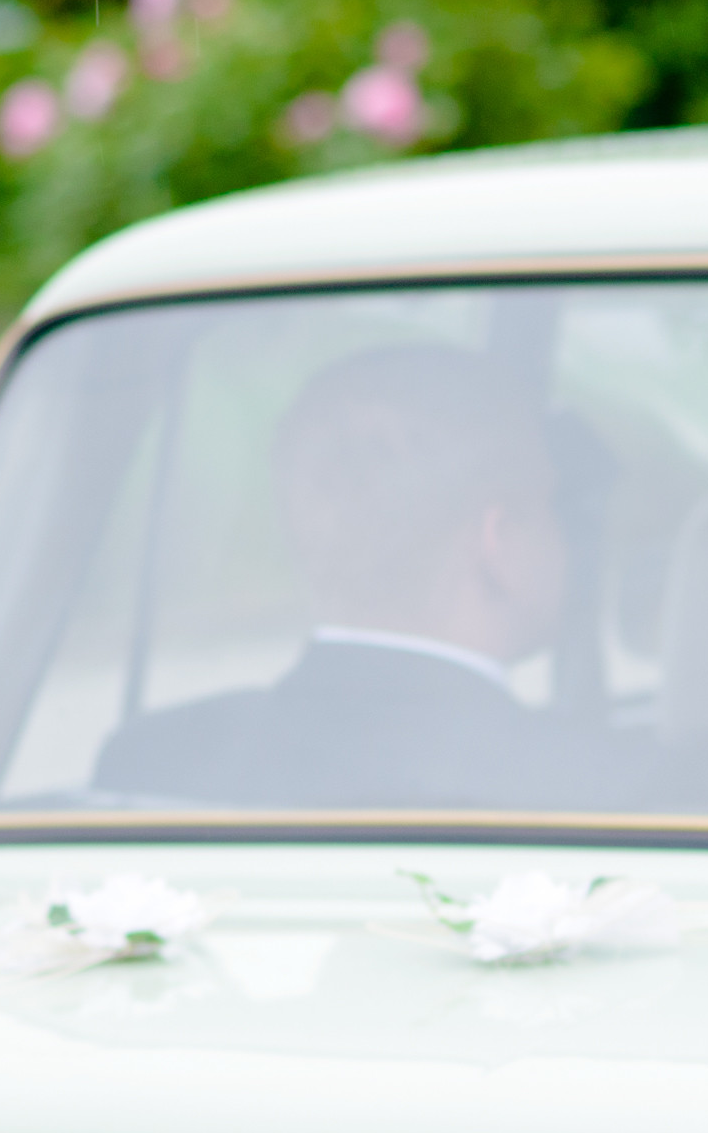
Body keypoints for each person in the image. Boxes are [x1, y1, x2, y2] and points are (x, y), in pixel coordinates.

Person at [100, 343, 602, 807]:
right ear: (498, 537)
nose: (565, 540)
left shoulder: (147, 764)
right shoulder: (609, 795)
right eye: (552, 506)